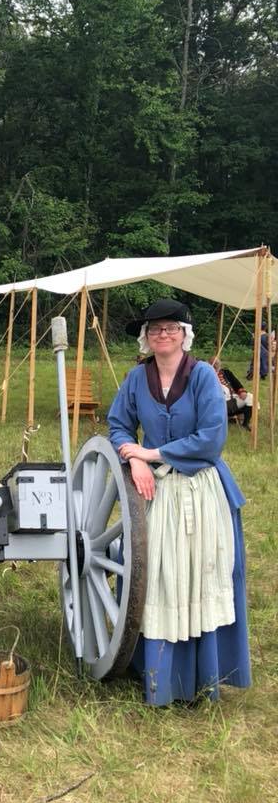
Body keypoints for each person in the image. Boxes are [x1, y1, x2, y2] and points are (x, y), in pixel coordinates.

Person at [107, 298, 251, 706]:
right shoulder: (138, 379)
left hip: (199, 489)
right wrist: (129, 455)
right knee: (156, 576)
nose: (162, 335)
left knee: (198, 574)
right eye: (155, 329)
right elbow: (118, 424)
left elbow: (211, 438)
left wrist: (148, 455)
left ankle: (201, 676)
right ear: (146, 337)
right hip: (156, 491)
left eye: (171, 328)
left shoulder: (204, 375)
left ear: (184, 335)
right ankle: (156, 673)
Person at [209, 356, 252, 430]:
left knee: (250, 398)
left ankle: (245, 423)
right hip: (220, 402)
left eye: (218, 363)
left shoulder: (226, 372)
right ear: (210, 364)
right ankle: (229, 417)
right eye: (214, 363)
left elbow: (236, 383)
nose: (216, 365)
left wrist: (242, 391)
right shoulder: (207, 374)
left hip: (232, 398)